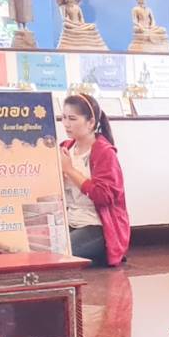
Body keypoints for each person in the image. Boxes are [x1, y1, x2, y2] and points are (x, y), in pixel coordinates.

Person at [58, 94, 130, 267]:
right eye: (64, 118)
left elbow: (103, 196)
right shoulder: (65, 147)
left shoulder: (104, 152)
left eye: (73, 119)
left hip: (97, 226)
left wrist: (69, 170)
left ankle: (99, 253)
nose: (66, 124)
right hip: (69, 221)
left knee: (59, 255)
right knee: (38, 249)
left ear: (90, 123)